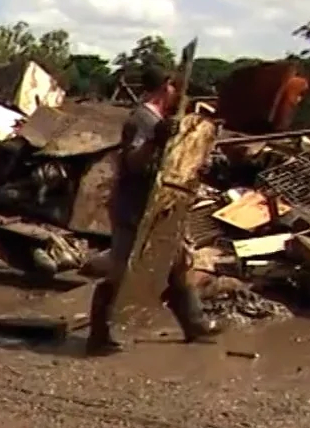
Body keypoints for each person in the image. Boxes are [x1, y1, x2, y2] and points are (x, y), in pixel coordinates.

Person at [85, 65, 218, 354]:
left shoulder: (161, 119)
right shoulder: (141, 119)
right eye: (175, 88)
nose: (178, 94)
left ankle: (196, 324)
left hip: (162, 204)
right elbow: (133, 162)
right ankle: (100, 332)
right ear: (166, 86)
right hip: (136, 206)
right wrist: (156, 140)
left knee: (179, 262)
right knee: (124, 269)